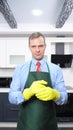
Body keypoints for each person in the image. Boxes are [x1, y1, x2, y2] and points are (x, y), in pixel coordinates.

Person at [8, 32, 68, 130]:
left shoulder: (55, 69)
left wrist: (55, 94)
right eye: (33, 46)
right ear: (29, 47)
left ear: (45, 46)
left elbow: (64, 97)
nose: (37, 50)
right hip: (26, 124)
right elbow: (11, 96)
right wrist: (24, 94)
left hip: (48, 124)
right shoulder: (20, 69)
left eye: (40, 46)